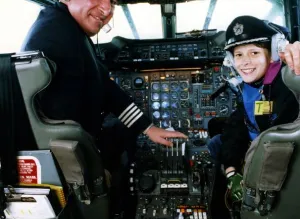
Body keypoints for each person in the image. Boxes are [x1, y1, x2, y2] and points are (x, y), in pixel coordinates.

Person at [21, 0, 187, 172]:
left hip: (66, 148)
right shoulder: (55, 34)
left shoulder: (64, 27)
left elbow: (103, 87)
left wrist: (147, 127)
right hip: (68, 156)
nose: (107, 9)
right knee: (122, 137)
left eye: (113, 2)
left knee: (121, 129)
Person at [209, 15, 300, 200]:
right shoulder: (251, 87)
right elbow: (240, 122)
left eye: (254, 53)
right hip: (259, 147)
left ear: (273, 53)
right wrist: (231, 172)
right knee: (217, 138)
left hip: (274, 163)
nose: (245, 62)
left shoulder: (289, 82)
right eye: (239, 55)